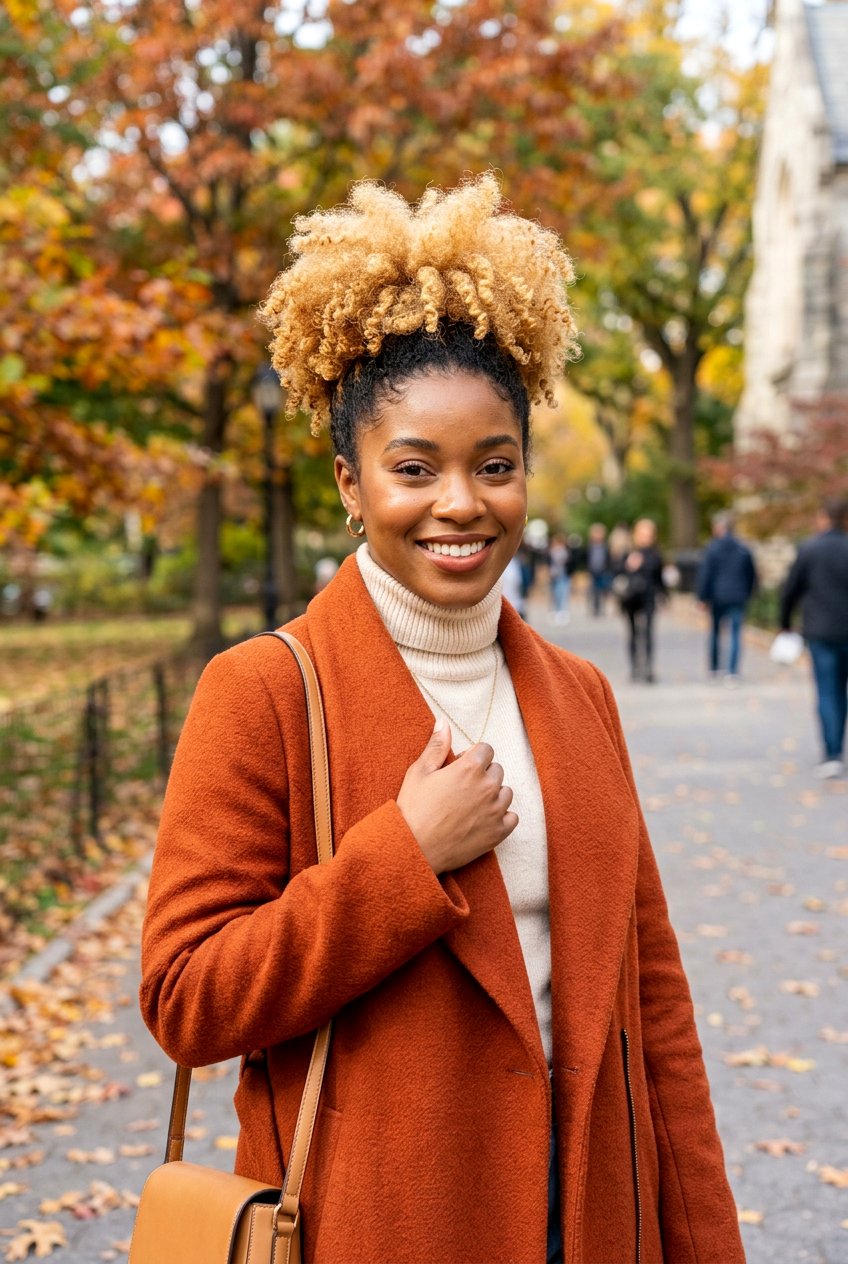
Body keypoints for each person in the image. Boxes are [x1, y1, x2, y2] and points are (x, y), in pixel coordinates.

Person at [140, 176, 744, 1264]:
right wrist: (402, 857)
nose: (459, 502)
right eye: (413, 468)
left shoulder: (579, 694)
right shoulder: (265, 691)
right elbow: (187, 997)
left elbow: (653, 1013)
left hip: (591, 1221)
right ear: (350, 482)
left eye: (494, 466)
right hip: (376, 1228)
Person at [780, 497, 848, 779]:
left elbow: (790, 590)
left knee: (827, 691)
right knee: (840, 692)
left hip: (820, 632)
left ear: (824, 518)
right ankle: (836, 747)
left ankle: (832, 753)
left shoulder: (809, 549)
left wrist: (784, 624)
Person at [696, 511, 758, 685]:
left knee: (716, 631)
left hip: (718, 596)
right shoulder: (743, 548)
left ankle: (715, 666)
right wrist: (749, 592)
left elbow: (705, 574)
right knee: (736, 633)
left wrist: (702, 597)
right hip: (738, 595)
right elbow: (751, 574)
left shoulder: (713, 548)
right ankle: (732, 670)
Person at [615, 517, 667, 683]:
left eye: (649, 534)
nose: (646, 537)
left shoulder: (655, 554)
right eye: (643, 533)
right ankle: (635, 667)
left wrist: (664, 596)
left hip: (648, 597)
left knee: (648, 632)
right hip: (631, 598)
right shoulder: (628, 552)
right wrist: (629, 566)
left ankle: (649, 668)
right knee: (633, 632)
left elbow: (659, 577)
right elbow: (617, 574)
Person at [586, 522, 612, 617]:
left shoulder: (605, 546)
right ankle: (595, 608)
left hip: (603, 571)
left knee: (603, 590)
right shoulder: (590, 546)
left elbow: (608, 559)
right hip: (593, 571)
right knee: (594, 590)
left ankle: (601, 608)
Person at [547, 532, 571, 625]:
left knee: (562, 594)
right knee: (555, 594)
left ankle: (562, 611)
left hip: (562, 575)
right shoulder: (552, 551)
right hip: (554, 576)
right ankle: (556, 611)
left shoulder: (563, 552)